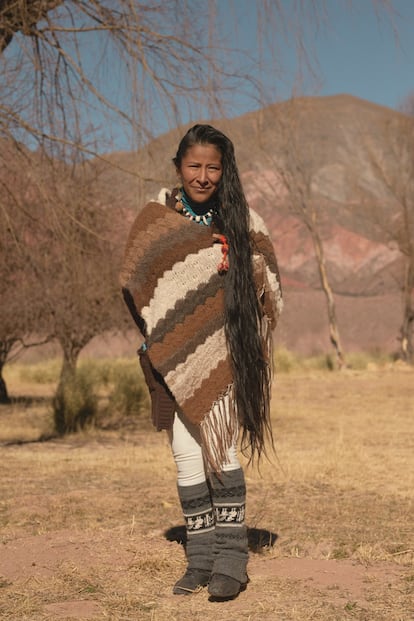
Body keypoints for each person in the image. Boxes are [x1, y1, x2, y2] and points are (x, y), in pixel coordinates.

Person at [120, 124, 283, 601]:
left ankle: (232, 559)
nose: (204, 175)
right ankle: (200, 559)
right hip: (170, 358)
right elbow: (134, 282)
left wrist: (243, 270)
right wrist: (160, 337)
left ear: (224, 169)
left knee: (221, 451)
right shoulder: (155, 223)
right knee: (186, 455)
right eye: (195, 166)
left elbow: (268, 282)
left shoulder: (243, 221)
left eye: (214, 166)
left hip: (229, 359)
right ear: (178, 168)